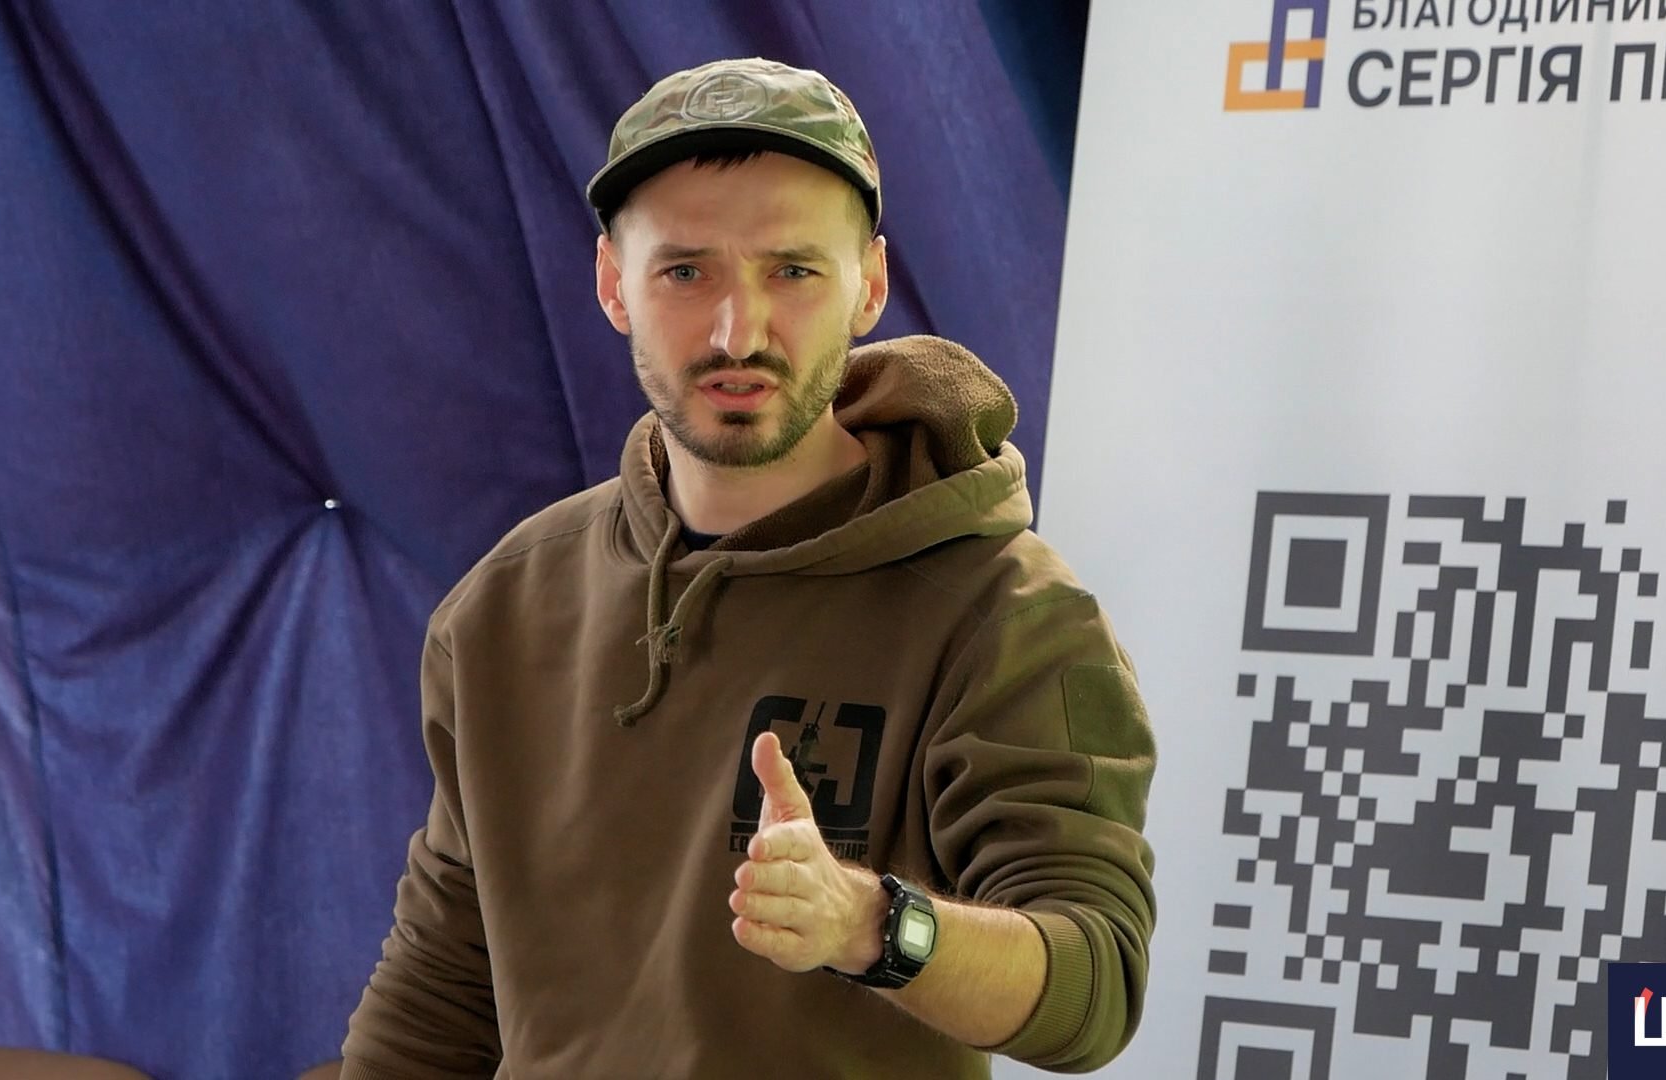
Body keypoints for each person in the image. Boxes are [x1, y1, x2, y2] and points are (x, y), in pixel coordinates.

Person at [340, 57, 1156, 1079]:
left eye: (792, 271)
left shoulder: (1004, 610)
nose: (739, 331)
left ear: (869, 285)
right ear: (612, 283)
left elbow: (1094, 986)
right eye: (686, 272)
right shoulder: (504, 605)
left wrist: (872, 926)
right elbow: (441, 988)